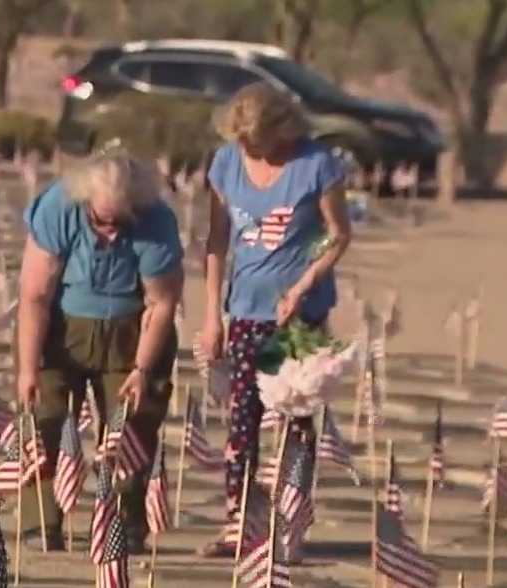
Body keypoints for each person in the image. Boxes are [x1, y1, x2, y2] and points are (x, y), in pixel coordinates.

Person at [196, 82, 353, 557]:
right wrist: (211, 314)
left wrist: (304, 285)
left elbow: (338, 235)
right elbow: (217, 240)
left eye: (256, 140)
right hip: (245, 308)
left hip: (300, 315)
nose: (247, 149)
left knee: (297, 420)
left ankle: (290, 529)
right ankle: (240, 523)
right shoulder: (225, 164)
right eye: (241, 140)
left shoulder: (316, 165)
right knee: (242, 419)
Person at [15, 146, 184, 553]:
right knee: (48, 417)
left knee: (130, 426)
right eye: (99, 219)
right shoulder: (58, 206)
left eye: (117, 220)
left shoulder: (156, 220)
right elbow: (35, 293)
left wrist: (142, 369)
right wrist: (27, 368)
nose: (108, 230)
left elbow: (162, 302)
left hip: (132, 327)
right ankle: (44, 521)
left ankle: (124, 521)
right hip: (62, 323)